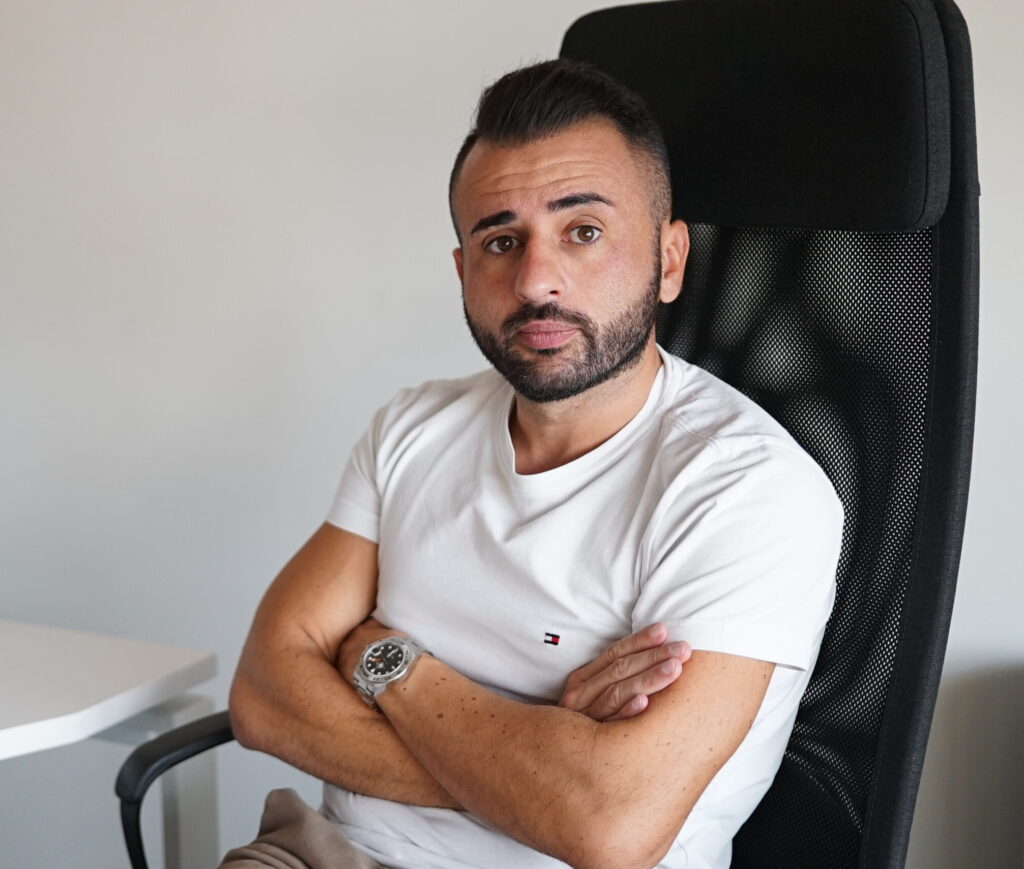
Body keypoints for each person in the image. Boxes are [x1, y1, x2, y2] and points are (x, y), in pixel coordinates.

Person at [224, 59, 844, 869]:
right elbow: (263, 695)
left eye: (582, 231)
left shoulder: (748, 490)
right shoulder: (412, 427)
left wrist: (381, 659)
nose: (536, 280)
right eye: (500, 241)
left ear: (669, 260)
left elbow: (607, 826)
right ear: (463, 273)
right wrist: (538, 766)